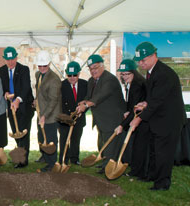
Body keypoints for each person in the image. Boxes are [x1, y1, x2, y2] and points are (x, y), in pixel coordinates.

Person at [131, 42, 186, 191]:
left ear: (154, 55)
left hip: (169, 120)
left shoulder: (163, 74)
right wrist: (144, 103)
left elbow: (157, 102)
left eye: (144, 60)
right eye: (139, 61)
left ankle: (162, 183)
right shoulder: (152, 72)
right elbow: (154, 98)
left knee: (164, 153)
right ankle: (153, 176)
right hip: (159, 118)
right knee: (155, 151)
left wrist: (138, 119)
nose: (141, 64)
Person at [76, 54, 126, 174]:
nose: (93, 71)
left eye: (95, 67)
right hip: (101, 119)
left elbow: (100, 96)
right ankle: (105, 163)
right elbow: (90, 96)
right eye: (91, 69)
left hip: (112, 118)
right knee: (103, 142)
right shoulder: (91, 80)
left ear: (102, 66)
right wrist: (83, 101)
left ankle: (110, 167)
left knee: (110, 143)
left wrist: (86, 105)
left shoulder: (109, 79)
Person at [0, 47, 34, 168]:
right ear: (4, 60)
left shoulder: (24, 69)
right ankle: (20, 156)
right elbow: (4, 87)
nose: (10, 62)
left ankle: (23, 162)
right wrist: (6, 93)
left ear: (16, 57)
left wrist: (18, 99)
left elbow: (26, 88)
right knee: (15, 133)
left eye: (12, 59)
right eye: (8, 60)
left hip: (24, 106)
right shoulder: (2, 70)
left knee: (23, 134)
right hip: (11, 108)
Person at [113, 59, 148, 179]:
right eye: (122, 74)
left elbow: (136, 108)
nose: (124, 76)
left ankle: (141, 173)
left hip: (144, 120)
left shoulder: (137, 85)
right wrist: (128, 111)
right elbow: (132, 104)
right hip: (137, 116)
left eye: (127, 73)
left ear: (134, 72)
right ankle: (135, 170)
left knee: (140, 147)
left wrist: (122, 125)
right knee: (136, 146)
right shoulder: (131, 83)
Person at [34, 51, 62, 172]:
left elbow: (53, 101)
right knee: (41, 136)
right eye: (39, 66)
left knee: (50, 140)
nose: (42, 68)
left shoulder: (54, 79)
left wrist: (44, 116)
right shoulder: (38, 74)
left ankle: (52, 164)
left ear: (49, 64)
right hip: (41, 112)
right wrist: (36, 100)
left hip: (50, 115)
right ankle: (45, 157)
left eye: (44, 66)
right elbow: (40, 92)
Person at [59, 61, 87, 165]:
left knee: (76, 139)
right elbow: (59, 103)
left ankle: (74, 159)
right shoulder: (61, 85)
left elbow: (88, 100)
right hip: (65, 118)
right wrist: (67, 117)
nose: (72, 77)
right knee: (64, 140)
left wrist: (83, 110)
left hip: (79, 119)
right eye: (69, 75)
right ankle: (63, 160)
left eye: (74, 75)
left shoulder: (85, 84)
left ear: (79, 74)